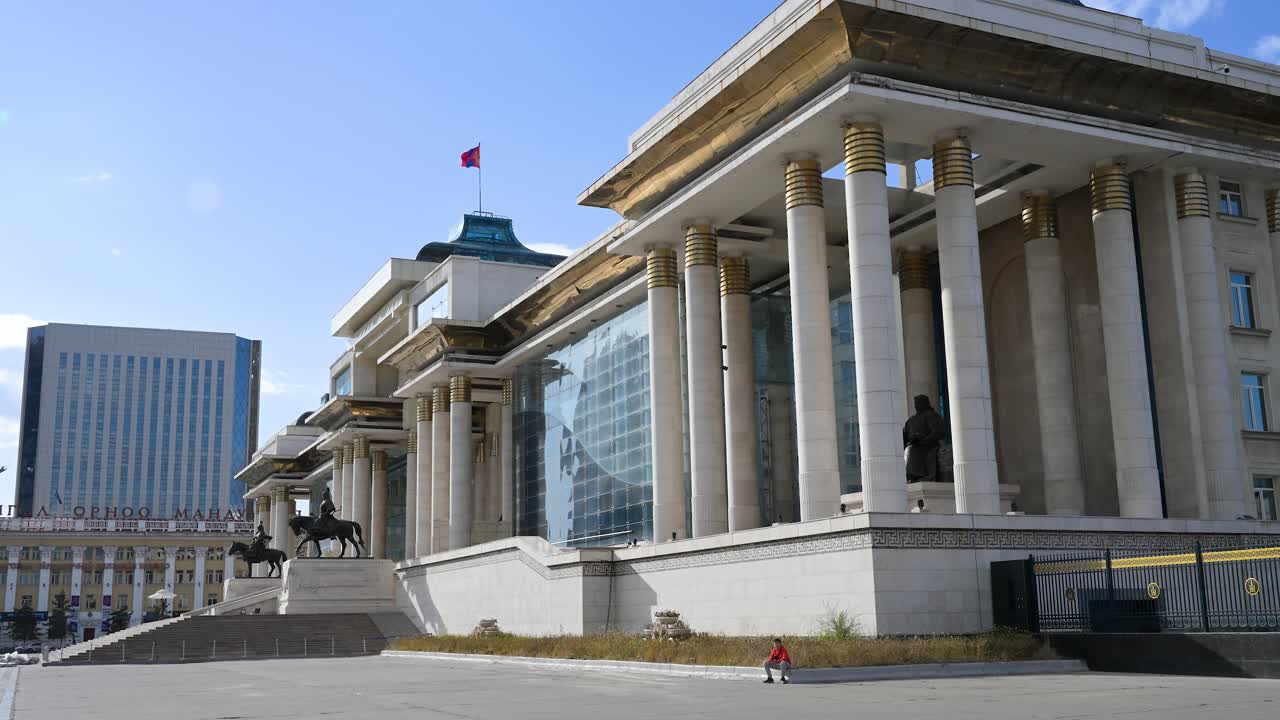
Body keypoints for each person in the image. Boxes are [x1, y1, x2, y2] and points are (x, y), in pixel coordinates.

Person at [903, 395, 947, 482]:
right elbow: (905, 436)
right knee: (908, 449)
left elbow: (938, 432)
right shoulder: (911, 420)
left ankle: (916, 475)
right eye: (916, 403)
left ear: (925, 403)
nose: (916, 405)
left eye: (919, 403)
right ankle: (910, 476)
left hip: (928, 445)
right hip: (913, 445)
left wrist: (923, 439)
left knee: (911, 450)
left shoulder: (931, 415)